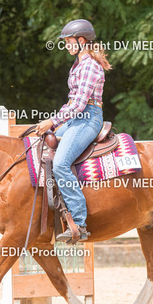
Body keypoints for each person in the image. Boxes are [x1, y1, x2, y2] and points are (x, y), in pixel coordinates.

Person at [36, 19, 112, 242]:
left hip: (88, 118)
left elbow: (79, 104)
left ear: (81, 41)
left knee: (60, 163)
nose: (66, 45)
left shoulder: (89, 66)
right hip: (76, 118)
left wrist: (52, 121)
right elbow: (71, 103)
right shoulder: (77, 64)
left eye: (69, 41)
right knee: (41, 146)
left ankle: (78, 222)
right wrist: (55, 124)